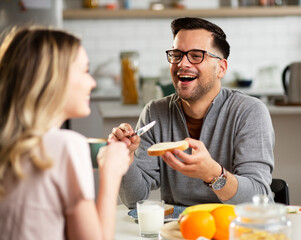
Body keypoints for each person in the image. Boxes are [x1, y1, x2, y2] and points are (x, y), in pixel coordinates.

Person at [110, 17, 275, 208]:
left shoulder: (249, 112)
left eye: (196, 56)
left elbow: (258, 196)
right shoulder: (155, 112)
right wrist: (126, 159)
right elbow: (134, 200)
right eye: (177, 54)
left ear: (221, 68)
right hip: (179, 231)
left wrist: (212, 173)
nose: (183, 64)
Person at [0, 27, 131, 240]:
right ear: (54, 79)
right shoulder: (67, 146)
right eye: (85, 71)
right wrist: (111, 174)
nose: (93, 83)